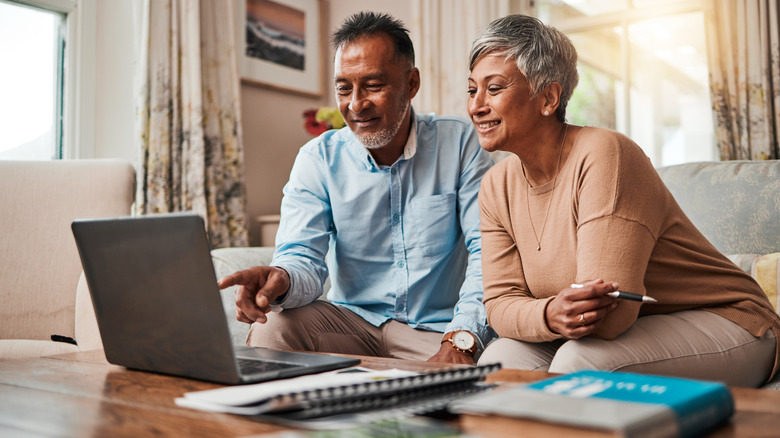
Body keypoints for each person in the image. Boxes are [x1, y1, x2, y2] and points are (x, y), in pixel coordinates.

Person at [468, 14, 779, 386]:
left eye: (495, 88)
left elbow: (610, 317)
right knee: (499, 362)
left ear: (548, 97)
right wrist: (551, 314)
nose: (476, 106)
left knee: (578, 363)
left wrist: (543, 315)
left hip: (729, 320)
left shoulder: (606, 154)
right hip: (625, 332)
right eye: (472, 90)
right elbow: (500, 305)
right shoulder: (495, 185)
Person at [218, 12, 494, 365]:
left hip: (436, 331)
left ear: (411, 84)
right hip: (351, 325)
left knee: (493, 366)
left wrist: (461, 339)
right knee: (274, 327)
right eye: (344, 88)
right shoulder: (318, 159)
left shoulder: (460, 144)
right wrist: (281, 278)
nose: (356, 104)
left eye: (374, 86)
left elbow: (488, 253)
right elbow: (303, 257)